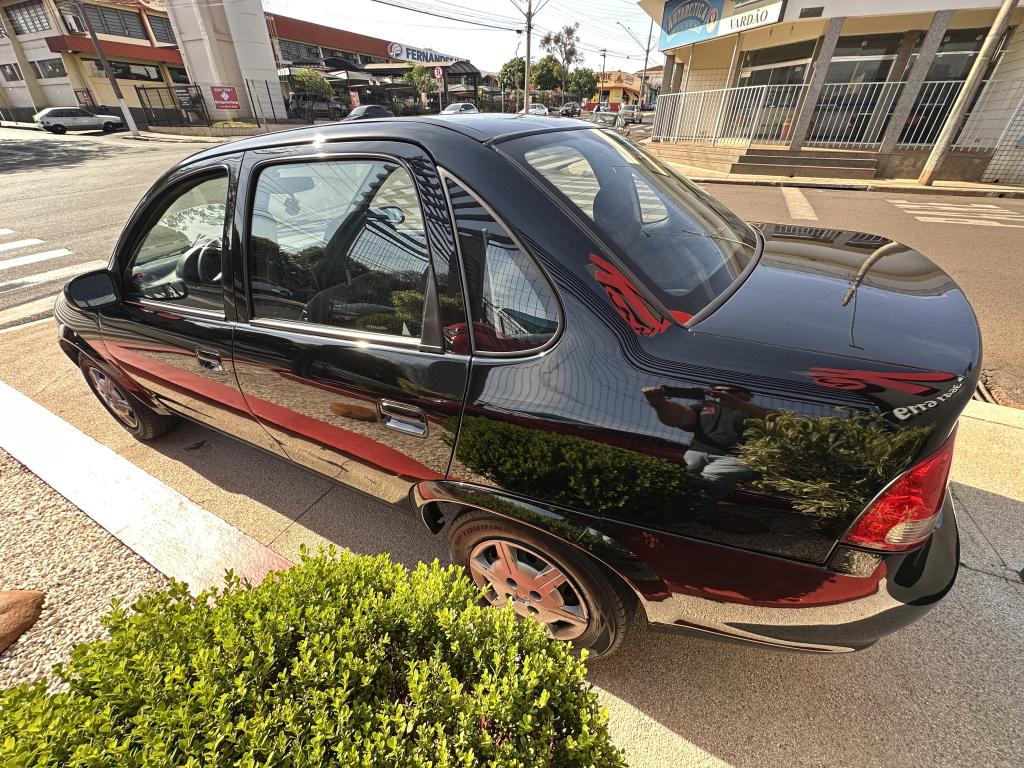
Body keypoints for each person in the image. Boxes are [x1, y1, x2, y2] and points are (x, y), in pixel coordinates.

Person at [642, 384, 769, 502]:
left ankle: (684, 512)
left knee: (711, 480)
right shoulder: (707, 406)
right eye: (718, 390)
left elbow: (777, 420)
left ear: (748, 396)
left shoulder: (754, 411)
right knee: (684, 478)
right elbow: (680, 417)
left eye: (731, 391)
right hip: (695, 454)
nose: (724, 393)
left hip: (734, 459)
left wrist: (738, 404)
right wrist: (660, 404)